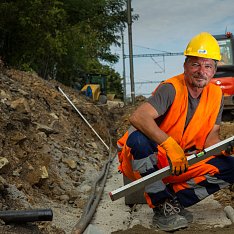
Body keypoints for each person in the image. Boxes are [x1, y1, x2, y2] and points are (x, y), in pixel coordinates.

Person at [117, 32, 234, 232]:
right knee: (138, 139)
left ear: (214, 70)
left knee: (231, 166)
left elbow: (210, 140)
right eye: (195, 64)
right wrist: (169, 145)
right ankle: (161, 206)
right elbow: (138, 117)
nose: (201, 71)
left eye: (207, 66)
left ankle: (173, 201)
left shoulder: (216, 95)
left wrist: (224, 147)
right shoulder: (171, 88)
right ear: (185, 66)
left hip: (182, 162)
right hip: (152, 161)